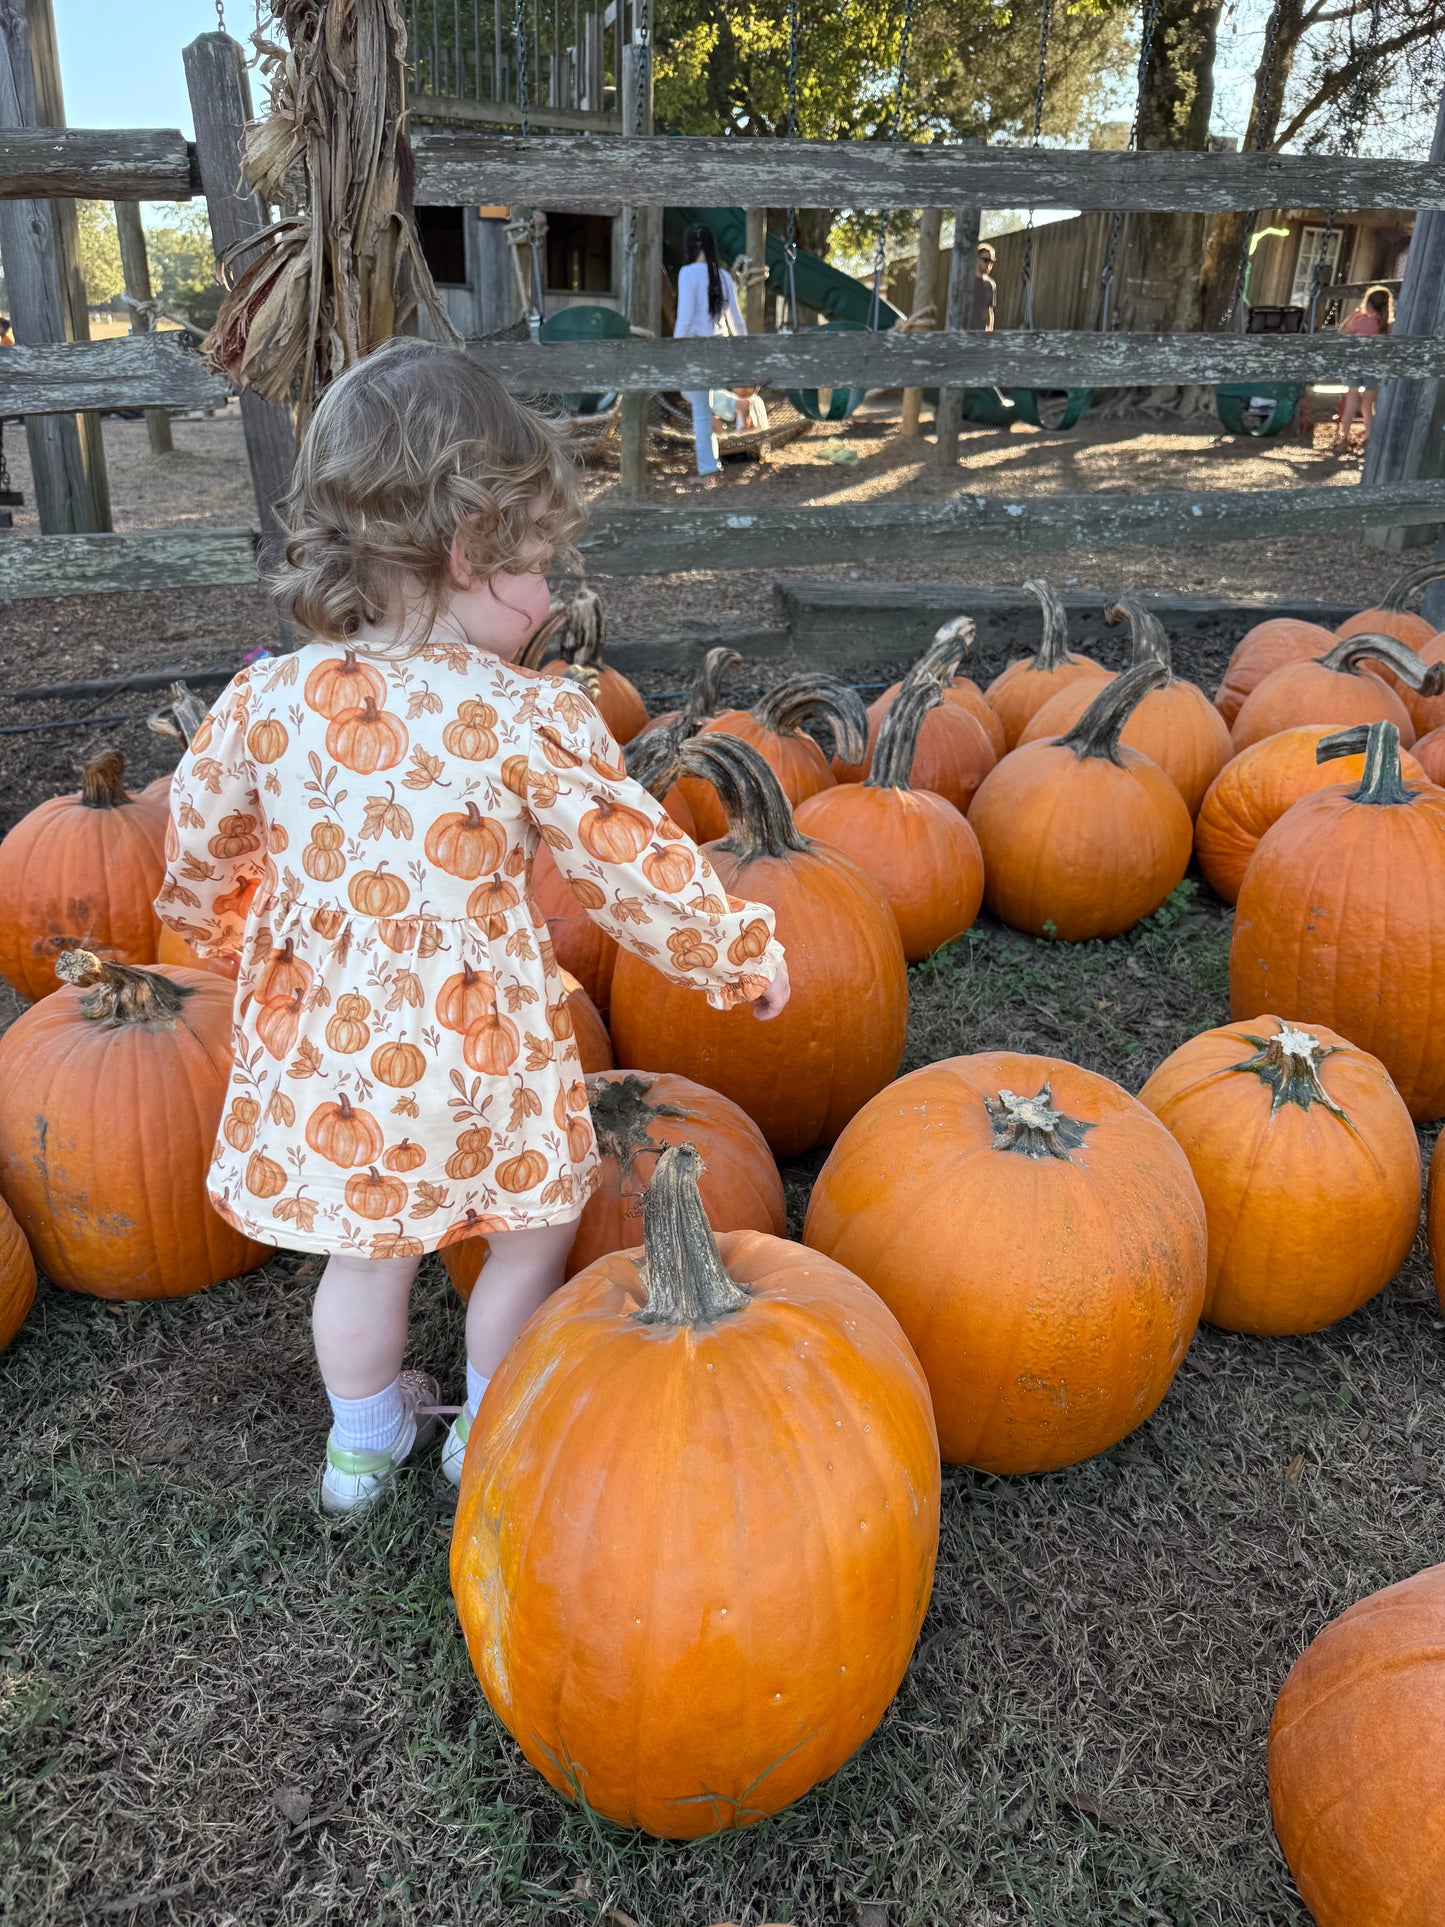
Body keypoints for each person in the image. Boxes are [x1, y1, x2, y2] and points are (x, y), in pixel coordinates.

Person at [154, 338, 790, 1516]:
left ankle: (359, 1448)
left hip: (335, 1051)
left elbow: (199, 833)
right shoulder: (521, 713)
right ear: (467, 551)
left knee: (368, 1252)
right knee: (529, 1236)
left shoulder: (265, 699)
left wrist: (223, 928)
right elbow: (629, 859)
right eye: (537, 567)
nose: (549, 598)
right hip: (485, 1048)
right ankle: (483, 1421)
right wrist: (734, 951)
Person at [674, 223, 746, 486]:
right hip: (720, 348)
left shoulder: (687, 273)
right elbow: (736, 321)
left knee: (700, 411)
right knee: (694, 398)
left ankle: (708, 473)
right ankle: (733, 405)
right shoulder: (724, 276)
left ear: (690, 248)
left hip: (696, 349)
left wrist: (674, 349)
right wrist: (745, 349)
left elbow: (684, 320)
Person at [1334, 284, 1393, 451]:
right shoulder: (1387, 326)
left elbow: (1342, 332)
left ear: (1368, 303)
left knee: (1351, 402)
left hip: (1355, 364)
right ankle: (1369, 438)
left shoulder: (1362, 321)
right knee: (1368, 406)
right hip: (1374, 366)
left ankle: (1344, 438)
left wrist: (1353, 315)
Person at [972, 245, 997, 332]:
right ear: (976, 259)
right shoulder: (967, 283)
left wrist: (990, 328)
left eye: (991, 262)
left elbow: (990, 309)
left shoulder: (990, 284)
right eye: (986, 260)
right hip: (966, 331)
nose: (989, 264)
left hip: (983, 331)